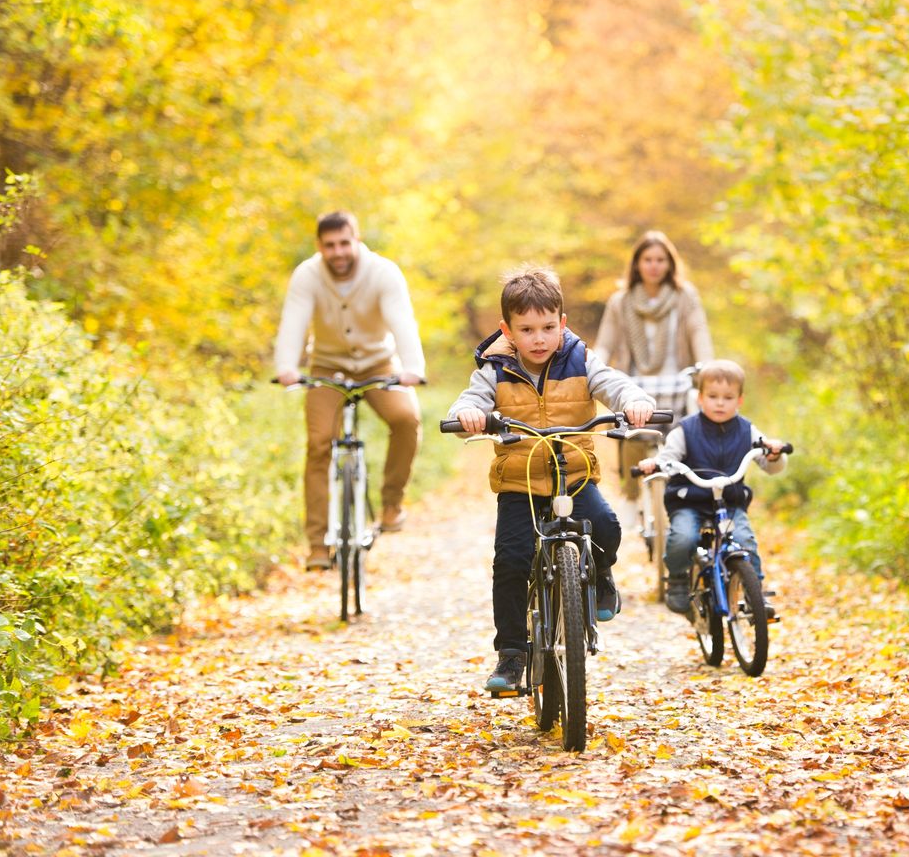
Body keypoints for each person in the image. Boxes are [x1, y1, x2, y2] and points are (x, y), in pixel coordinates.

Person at [448, 266, 655, 693]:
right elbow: (472, 398)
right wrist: (467, 415)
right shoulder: (495, 368)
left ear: (562, 324)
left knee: (607, 526)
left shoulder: (580, 358)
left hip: (573, 476)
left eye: (547, 327)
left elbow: (610, 382)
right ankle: (511, 654)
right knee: (510, 560)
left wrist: (632, 399)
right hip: (519, 483)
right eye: (526, 329)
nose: (538, 339)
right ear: (507, 330)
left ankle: (600, 576)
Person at [274, 210, 426, 571]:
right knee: (318, 443)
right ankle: (316, 544)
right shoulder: (307, 275)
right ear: (319, 247)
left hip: (379, 364)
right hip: (327, 367)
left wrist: (413, 368)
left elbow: (402, 320)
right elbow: (293, 321)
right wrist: (287, 368)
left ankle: (391, 504)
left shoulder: (383, 272)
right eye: (330, 245)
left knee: (406, 419)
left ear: (356, 240)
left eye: (344, 243)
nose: (338, 252)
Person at [636, 359, 787, 615]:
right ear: (700, 398)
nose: (720, 403)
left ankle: (755, 593)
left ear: (739, 400)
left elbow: (768, 460)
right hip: (689, 501)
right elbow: (668, 457)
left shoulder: (747, 430)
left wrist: (773, 453)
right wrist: (656, 464)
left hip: (729, 503)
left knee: (745, 540)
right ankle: (677, 581)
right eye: (713, 396)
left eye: (728, 397)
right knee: (683, 537)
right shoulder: (685, 430)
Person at [594, 231, 714, 514]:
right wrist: (591, 367)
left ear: (670, 264)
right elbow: (604, 343)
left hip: (678, 382)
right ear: (637, 264)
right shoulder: (620, 302)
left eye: (661, 259)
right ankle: (632, 496)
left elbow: (699, 334)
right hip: (634, 384)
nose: (654, 265)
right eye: (648, 259)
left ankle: (686, 496)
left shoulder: (685, 297)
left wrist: (707, 367)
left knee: (685, 438)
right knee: (632, 435)